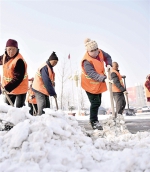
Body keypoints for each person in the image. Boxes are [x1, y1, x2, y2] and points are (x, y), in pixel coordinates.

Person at [81, 38, 112, 130]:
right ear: (88, 51)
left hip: (98, 83)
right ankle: (93, 121)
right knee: (95, 102)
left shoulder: (100, 52)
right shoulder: (86, 61)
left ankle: (94, 120)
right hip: (89, 84)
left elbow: (108, 57)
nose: (95, 52)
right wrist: (104, 79)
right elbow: (91, 73)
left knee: (98, 102)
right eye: (92, 51)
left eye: (96, 50)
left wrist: (108, 64)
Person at [0, 39, 28, 107]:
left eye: (13, 49)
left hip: (20, 89)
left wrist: (6, 88)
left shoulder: (19, 61)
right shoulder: (4, 57)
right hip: (10, 88)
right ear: (6, 49)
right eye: (9, 49)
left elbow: (18, 78)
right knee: (7, 108)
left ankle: (21, 117)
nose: (11, 52)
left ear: (17, 49)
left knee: (19, 109)